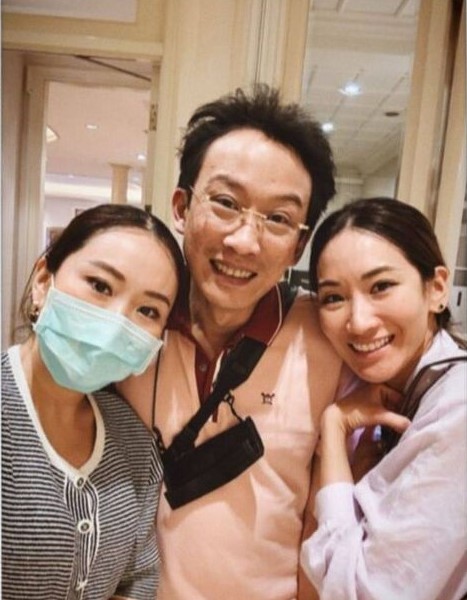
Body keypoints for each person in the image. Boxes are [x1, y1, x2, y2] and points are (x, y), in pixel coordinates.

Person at [118, 85, 346, 599]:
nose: (244, 241)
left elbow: (328, 522)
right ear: (182, 207)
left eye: (278, 219)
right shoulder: (132, 323)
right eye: (225, 203)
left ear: (299, 245)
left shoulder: (327, 341)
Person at [1, 203, 186, 600]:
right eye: (100, 286)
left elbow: (139, 576)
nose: (117, 323)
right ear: (43, 280)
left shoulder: (134, 443)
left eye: (148, 310)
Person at [301, 197, 467, 600]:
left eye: (381, 287)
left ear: (437, 288)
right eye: (334, 298)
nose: (358, 322)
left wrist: (333, 430)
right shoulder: (407, 395)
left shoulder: (457, 407)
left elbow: (360, 592)